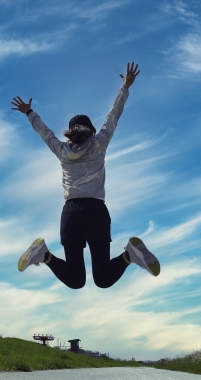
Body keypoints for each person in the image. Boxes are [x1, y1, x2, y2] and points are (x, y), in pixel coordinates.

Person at [11, 62, 160, 289]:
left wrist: (29, 112)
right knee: (102, 279)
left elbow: (45, 132)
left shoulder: (62, 150)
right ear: (91, 131)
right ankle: (129, 255)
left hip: (71, 215)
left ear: (70, 134)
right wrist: (125, 88)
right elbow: (113, 116)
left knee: (76, 280)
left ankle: (44, 255)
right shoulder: (99, 143)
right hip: (96, 212)